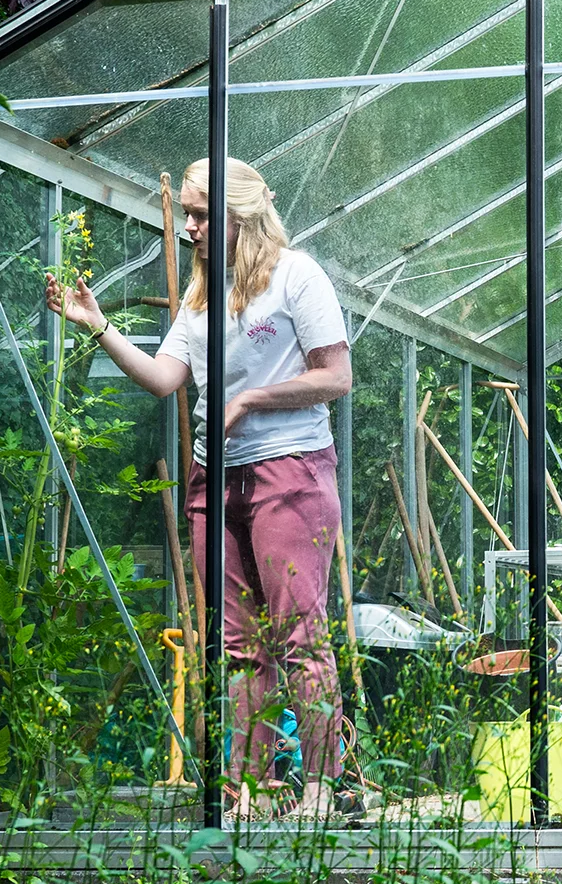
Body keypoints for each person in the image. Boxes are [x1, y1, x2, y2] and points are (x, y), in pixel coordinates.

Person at [46, 158, 352, 818]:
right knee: (238, 646)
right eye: (186, 212)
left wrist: (254, 400)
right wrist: (97, 325)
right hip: (214, 480)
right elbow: (163, 377)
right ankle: (252, 790)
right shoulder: (199, 299)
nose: (188, 227)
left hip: (290, 471)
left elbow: (336, 376)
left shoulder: (297, 277)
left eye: (200, 214)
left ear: (241, 215)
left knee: (298, 636)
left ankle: (320, 787)